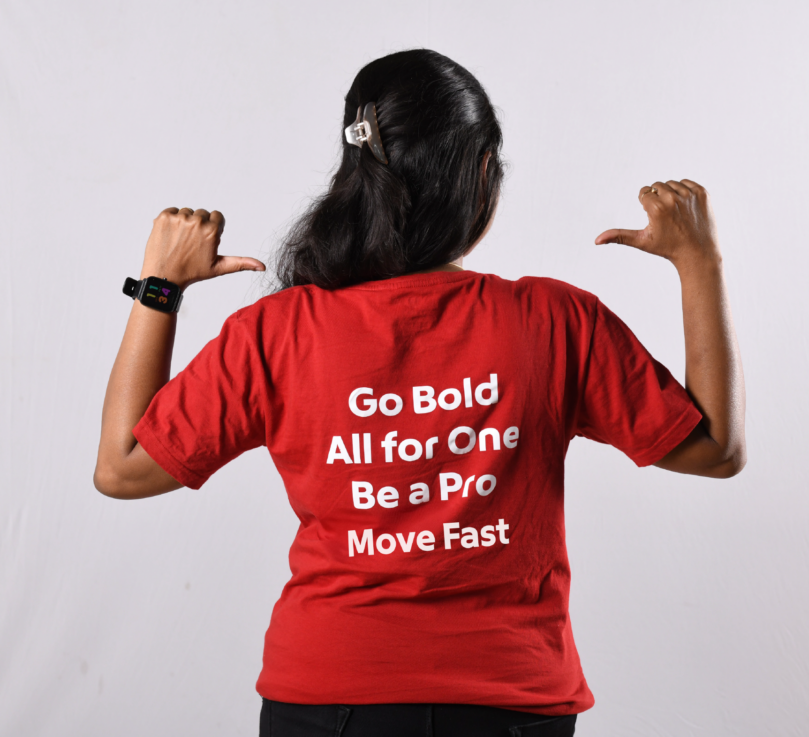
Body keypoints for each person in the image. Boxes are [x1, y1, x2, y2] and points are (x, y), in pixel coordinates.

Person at [89, 49, 743, 735]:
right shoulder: (554, 322)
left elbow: (121, 469)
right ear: (482, 175)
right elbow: (715, 449)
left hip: (325, 698)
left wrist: (159, 285)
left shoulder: (277, 332)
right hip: (510, 701)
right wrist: (699, 260)